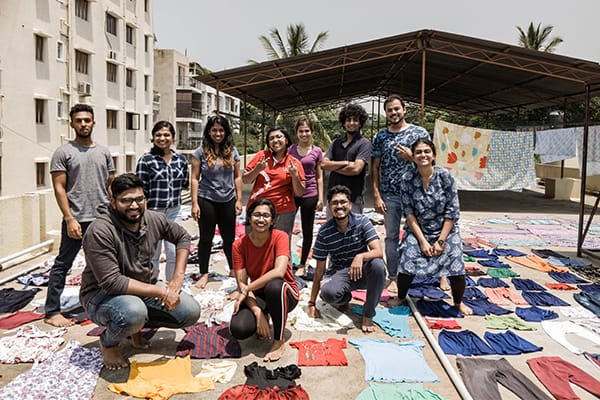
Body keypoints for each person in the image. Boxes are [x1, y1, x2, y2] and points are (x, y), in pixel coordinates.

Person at [80, 173, 201, 370]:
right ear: (112, 201)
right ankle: (108, 342)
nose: (134, 206)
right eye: (126, 201)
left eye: (139, 199)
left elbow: (183, 237)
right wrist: (163, 292)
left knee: (190, 312)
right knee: (133, 312)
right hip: (101, 295)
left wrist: (177, 279)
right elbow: (113, 282)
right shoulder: (99, 230)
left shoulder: (153, 219)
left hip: (144, 288)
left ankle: (136, 327)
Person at [44, 104, 115, 328]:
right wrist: (69, 219)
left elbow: (111, 184)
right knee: (63, 264)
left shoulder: (103, 151)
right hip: (76, 219)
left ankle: (105, 303)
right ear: (72, 123)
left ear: (94, 122)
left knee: (106, 263)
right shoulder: (63, 152)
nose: (83, 124)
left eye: (87, 120)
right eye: (79, 120)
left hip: (102, 218)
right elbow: (59, 188)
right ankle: (52, 311)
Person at [388, 139, 471, 315]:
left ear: (433, 155)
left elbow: (452, 212)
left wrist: (441, 241)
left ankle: (457, 302)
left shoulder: (445, 177)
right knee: (407, 259)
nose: (423, 155)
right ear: (413, 156)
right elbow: (408, 213)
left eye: (427, 151)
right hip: (419, 229)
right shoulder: (407, 179)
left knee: (456, 262)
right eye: (418, 152)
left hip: (445, 230)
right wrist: (423, 242)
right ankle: (401, 296)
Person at [371, 94, 431, 292]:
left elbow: (430, 161)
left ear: (404, 109)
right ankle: (394, 275)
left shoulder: (418, 133)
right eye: (389, 110)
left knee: (423, 233)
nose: (393, 113)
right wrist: (377, 195)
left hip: (415, 193)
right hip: (390, 195)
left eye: (397, 108)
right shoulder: (381, 136)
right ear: (386, 113)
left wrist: (411, 157)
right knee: (391, 236)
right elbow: (375, 167)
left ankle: (436, 272)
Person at [308, 185, 386, 333]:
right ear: (329, 207)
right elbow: (319, 270)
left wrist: (360, 256)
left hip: (362, 271)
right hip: (339, 273)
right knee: (328, 294)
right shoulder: (324, 232)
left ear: (350, 205)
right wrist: (312, 303)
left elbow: (378, 251)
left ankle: (368, 314)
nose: (339, 206)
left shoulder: (362, 221)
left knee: (378, 265)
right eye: (335, 203)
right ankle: (344, 298)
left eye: (343, 202)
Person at [229, 198, 299, 362]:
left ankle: (278, 340)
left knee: (274, 286)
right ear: (249, 217)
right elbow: (242, 283)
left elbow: (279, 272)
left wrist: (246, 289)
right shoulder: (238, 245)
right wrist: (257, 311)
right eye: (257, 215)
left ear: (273, 220)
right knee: (239, 329)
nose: (261, 219)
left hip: (285, 292)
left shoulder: (280, 237)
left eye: (266, 216)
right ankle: (266, 314)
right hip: (259, 295)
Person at [191, 115, 243, 288]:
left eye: (221, 130)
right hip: (207, 199)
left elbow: (237, 177)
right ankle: (204, 273)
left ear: (226, 131)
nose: (218, 133)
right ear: (209, 131)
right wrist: (194, 203)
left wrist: (239, 199)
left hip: (228, 199)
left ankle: (233, 269)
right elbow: (194, 178)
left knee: (230, 238)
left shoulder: (233, 151)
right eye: (214, 130)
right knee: (206, 238)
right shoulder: (200, 152)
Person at [136, 121, 189, 281]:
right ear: (153, 138)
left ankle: (172, 286)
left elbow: (184, 184)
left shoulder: (181, 160)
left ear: (173, 137)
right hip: (152, 212)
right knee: (153, 252)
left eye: (166, 134)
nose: (162, 138)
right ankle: (151, 285)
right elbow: (139, 189)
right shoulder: (146, 160)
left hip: (174, 211)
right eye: (158, 135)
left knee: (174, 251)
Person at [243, 127, 305, 239]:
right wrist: (257, 169)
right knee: (253, 246)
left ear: (286, 140)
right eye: (271, 138)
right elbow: (246, 180)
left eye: (278, 137)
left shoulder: (294, 163)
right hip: (257, 209)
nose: (275, 140)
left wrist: (295, 175)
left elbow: (299, 192)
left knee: (280, 247)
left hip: (283, 212)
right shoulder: (261, 156)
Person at [289, 117, 324, 276]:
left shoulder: (317, 151)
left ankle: (302, 263)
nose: (304, 134)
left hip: (310, 193)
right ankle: (285, 261)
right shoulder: (290, 150)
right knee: (286, 228)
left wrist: (321, 198)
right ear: (296, 133)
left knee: (307, 229)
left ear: (311, 132)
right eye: (301, 131)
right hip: (293, 193)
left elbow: (319, 177)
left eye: (307, 131)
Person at [321, 103, 371, 214]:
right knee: (333, 230)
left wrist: (333, 166)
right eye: (348, 120)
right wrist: (346, 163)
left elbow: (355, 170)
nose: (351, 123)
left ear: (360, 123)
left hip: (353, 198)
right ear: (343, 123)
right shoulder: (335, 143)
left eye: (355, 120)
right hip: (333, 197)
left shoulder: (364, 143)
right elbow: (323, 164)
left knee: (353, 230)